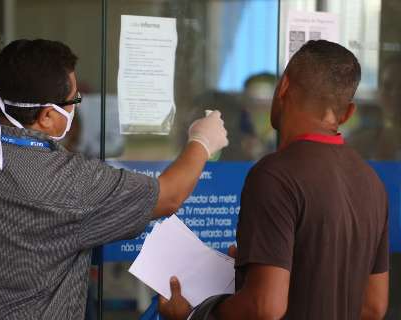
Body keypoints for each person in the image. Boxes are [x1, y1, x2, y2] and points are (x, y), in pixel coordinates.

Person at [0, 39, 228, 319]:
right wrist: (201, 142)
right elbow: (168, 195)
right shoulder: (67, 182)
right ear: (47, 116)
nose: (75, 107)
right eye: (73, 101)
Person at [159, 40, 389, 320]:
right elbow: (374, 306)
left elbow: (265, 306)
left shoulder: (275, 176)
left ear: (284, 88)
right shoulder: (371, 181)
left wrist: (196, 313)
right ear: (348, 112)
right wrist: (255, 268)